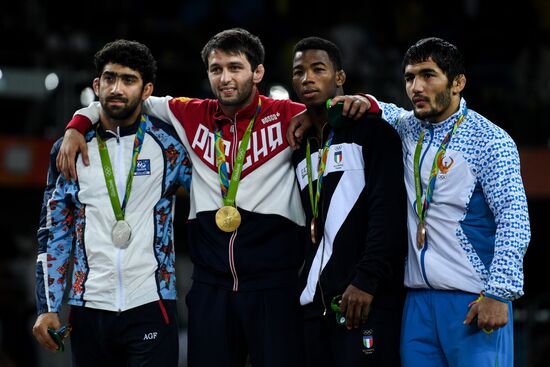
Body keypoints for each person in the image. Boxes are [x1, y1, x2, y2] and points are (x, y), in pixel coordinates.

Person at [55, 28, 377, 367]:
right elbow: (122, 96)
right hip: (211, 290)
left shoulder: (289, 114)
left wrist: (365, 101)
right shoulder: (189, 113)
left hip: (274, 288)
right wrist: (77, 124)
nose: (225, 78)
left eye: (235, 68)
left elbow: (370, 113)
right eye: (216, 69)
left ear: (258, 72)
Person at [290, 36, 531, 367]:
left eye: (428, 75)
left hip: (472, 298)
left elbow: (513, 218)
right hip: (415, 302)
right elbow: (370, 106)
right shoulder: (405, 128)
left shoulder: (490, 141)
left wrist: (499, 292)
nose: (417, 86)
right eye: (409, 77)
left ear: (458, 82)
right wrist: (314, 115)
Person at [32, 39, 192, 367]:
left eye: (128, 80)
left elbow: (212, 197)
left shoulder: (170, 149)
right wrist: (47, 306)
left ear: (147, 90)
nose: (116, 88)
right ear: (96, 84)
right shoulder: (69, 150)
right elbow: (54, 232)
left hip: (152, 304)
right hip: (89, 308)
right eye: (109, 78)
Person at [290, 36, 407, 366]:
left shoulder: (374, 133)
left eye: (318, 69)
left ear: (339, 77)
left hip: (364, 301)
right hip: (315, 308)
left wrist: (366, 281)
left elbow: (388, 214)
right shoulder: (302, 150)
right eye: (299, 72)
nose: (307, 78)